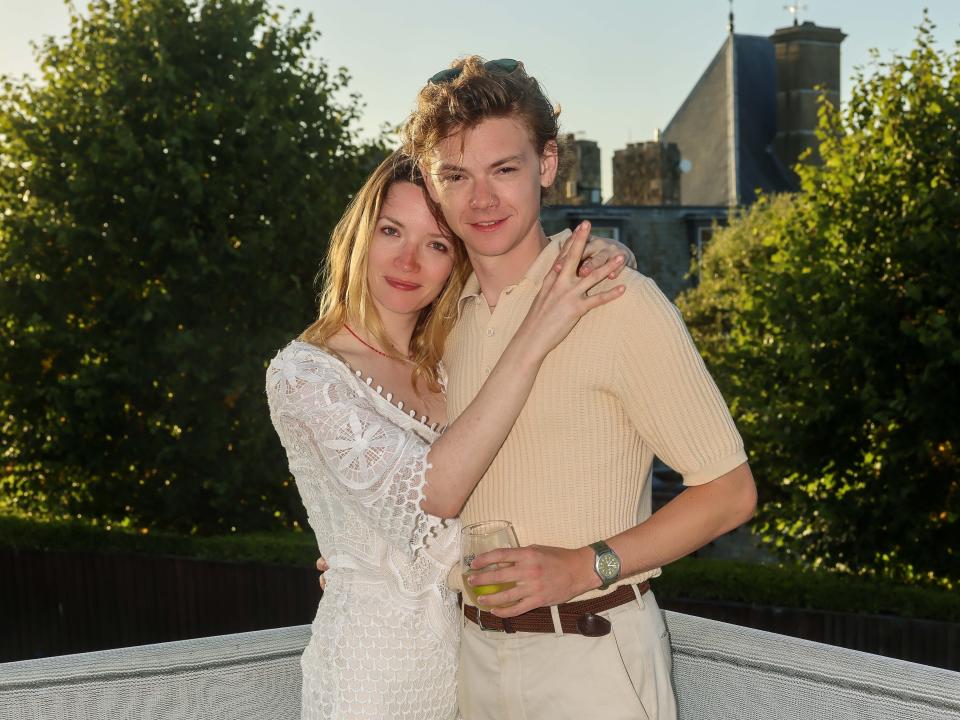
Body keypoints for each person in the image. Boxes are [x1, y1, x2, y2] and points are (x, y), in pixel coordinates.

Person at [401, 57, 758, 719]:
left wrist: (582, 566)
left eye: (504, 170)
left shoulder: (619, 301)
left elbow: (730, 493)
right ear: (432, 182)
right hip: (463, 666)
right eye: (457, 175)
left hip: (592, 663)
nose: (481, 200)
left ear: (546, 164)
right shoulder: (437, 320)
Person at [265, 150, 630, 720]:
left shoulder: (451, 362)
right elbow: (432, 497)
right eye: (391, 231)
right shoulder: (305, 373)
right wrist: (535, 337)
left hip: (473, 663)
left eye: (436, 244)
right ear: (360, 233)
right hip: (372, 677)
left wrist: (598, 252)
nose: (408, 260)